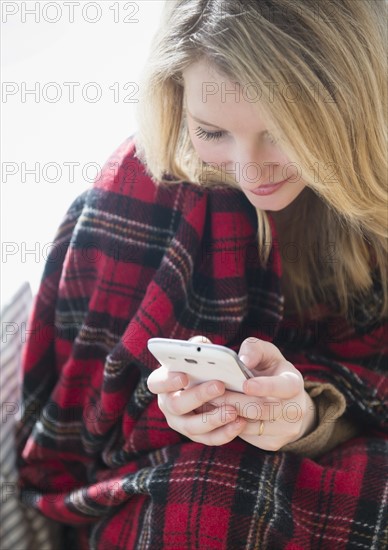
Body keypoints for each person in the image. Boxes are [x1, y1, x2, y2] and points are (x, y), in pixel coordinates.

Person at [16, 0, 387, 548]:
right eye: (213, 133)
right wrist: (170, 409)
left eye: (284, 132)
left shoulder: (372, 199)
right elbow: (73, 439)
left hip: (343, 452)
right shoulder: (137, 200)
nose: (251, 169)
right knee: (208, 507)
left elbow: (371, 389)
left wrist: (306, 416)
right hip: (163, 474)